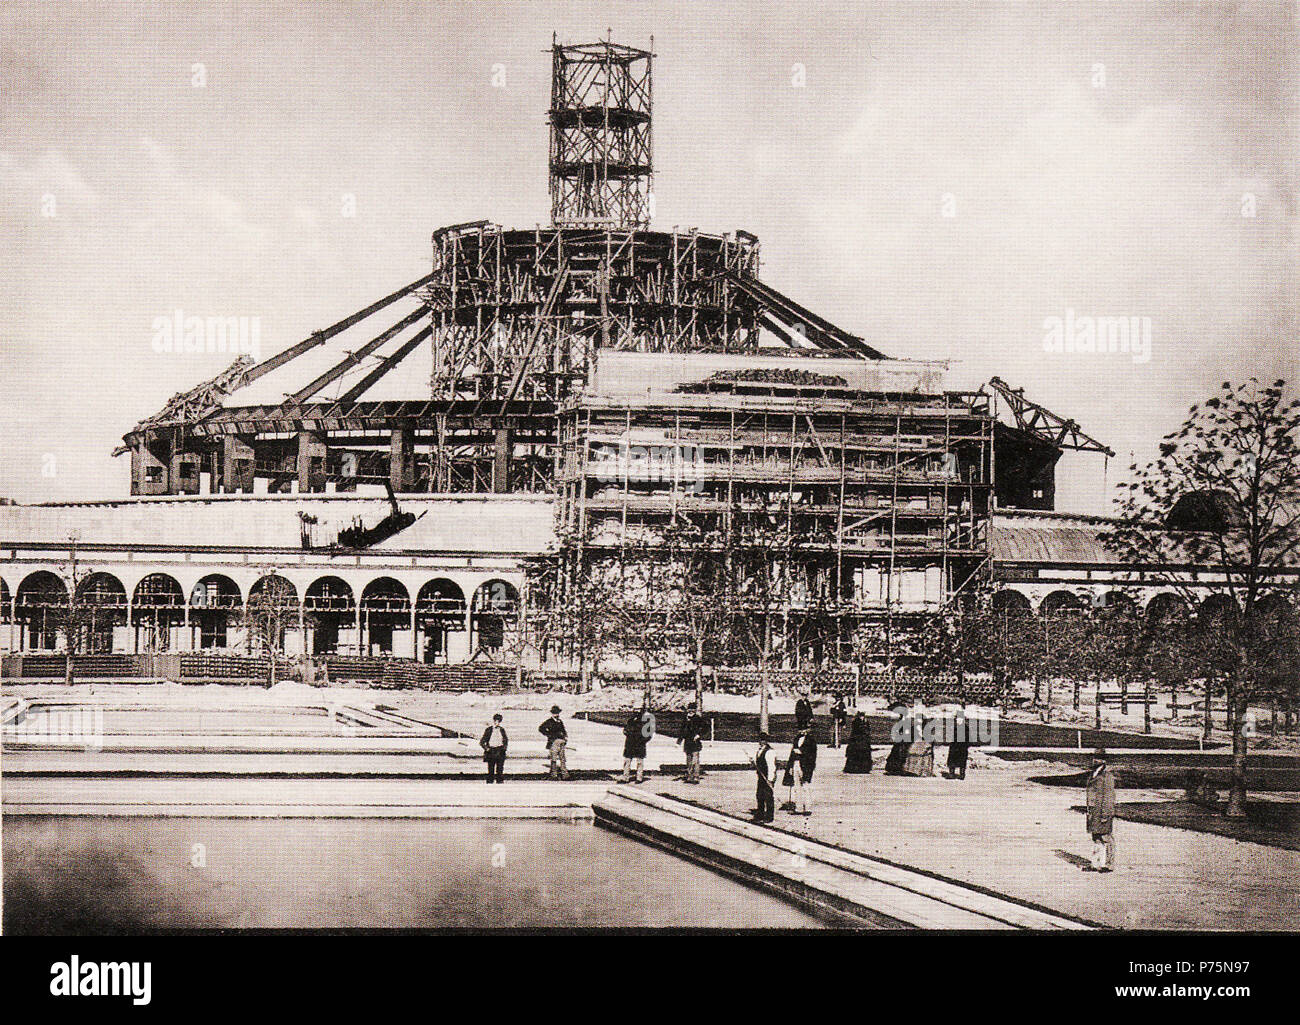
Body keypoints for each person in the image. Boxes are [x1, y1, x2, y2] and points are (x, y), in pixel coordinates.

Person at [1086, 747, 1117, 872]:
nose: (1095, 760)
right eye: (1094, 757)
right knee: (1096, 838)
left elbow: (1109, 796)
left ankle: (1109, 864)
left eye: (1098, 758)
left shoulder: (1107, 776)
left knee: (1106, 838)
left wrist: (1106, 813)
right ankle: (1096, 863)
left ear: (1104, 761)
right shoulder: (1094, 773)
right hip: (1094, 811)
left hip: (1102, 811)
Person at [787, 722, 818, 816]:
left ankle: (807, 808)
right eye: (800, 729)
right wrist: (790, 767)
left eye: (804, 729)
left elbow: (812, 754)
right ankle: (798, 807)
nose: (802, 731)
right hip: (796, 764)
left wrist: (801, 752)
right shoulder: (796, 739)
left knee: (806, 787)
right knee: (796, 787)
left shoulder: (811, 740)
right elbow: (792, 754)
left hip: (805, 765)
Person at [619, 705, 652, 783]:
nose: (636, 712)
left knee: (639, 762)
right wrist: (627, 733)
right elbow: (625, 730)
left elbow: (649, 734)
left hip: (639, 744)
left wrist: (643, 741)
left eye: (638, 710)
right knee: (627, 761)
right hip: (630, 743)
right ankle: (625, 777)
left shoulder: (645, 721)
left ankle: (639, 778)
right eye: (635, 710)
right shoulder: (630, 721)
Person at [538, 705, 569, 780]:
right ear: (552, 713)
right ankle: (554, 775)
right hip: (553, 742)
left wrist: (565, 737)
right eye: (555, 713)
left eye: (557, 713)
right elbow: (541, 728)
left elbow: (563, 730)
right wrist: (549, 735)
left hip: (561, 742)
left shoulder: (560, 721)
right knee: (554, 759)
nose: (556, 714)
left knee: (562, 758)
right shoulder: (549, 722)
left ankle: (564, 774)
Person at [679, 702, 706, 784]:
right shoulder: (685, 719)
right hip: (687, 742)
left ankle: (696, 777)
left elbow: (705, 728)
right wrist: (679, 741)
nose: (690, 711)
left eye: (692, 710)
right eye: (689, 710)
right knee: (689, 761)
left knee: (695, 760)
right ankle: (689, 776)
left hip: (695, 743)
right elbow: (682, 731)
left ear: (694, 711)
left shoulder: (698, 718)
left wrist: (699, 735)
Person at [753, 731, 777, 822]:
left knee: (768, 796)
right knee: (760, 795)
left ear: (766, 741)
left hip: (768, 777)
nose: (761, 742)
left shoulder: (769, 751)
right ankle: (760, 815)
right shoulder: (759, 750)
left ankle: (769, 817)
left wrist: (770, 780)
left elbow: (772, 767)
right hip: (761, 777)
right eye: (760, 740)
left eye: (763, 740)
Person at [480, 713, 508, 784]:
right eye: (496, 721)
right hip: (491, 751)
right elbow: (482, 742)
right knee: (491, 770)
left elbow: (505, 740)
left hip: (500, 751)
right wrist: (487, 749)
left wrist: (504, 749)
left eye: (498, 721)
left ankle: (500, 785)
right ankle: (489, 785)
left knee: (500, 770)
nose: (497, 722)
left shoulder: (502, 730)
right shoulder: (489, 730)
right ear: (493, 720)